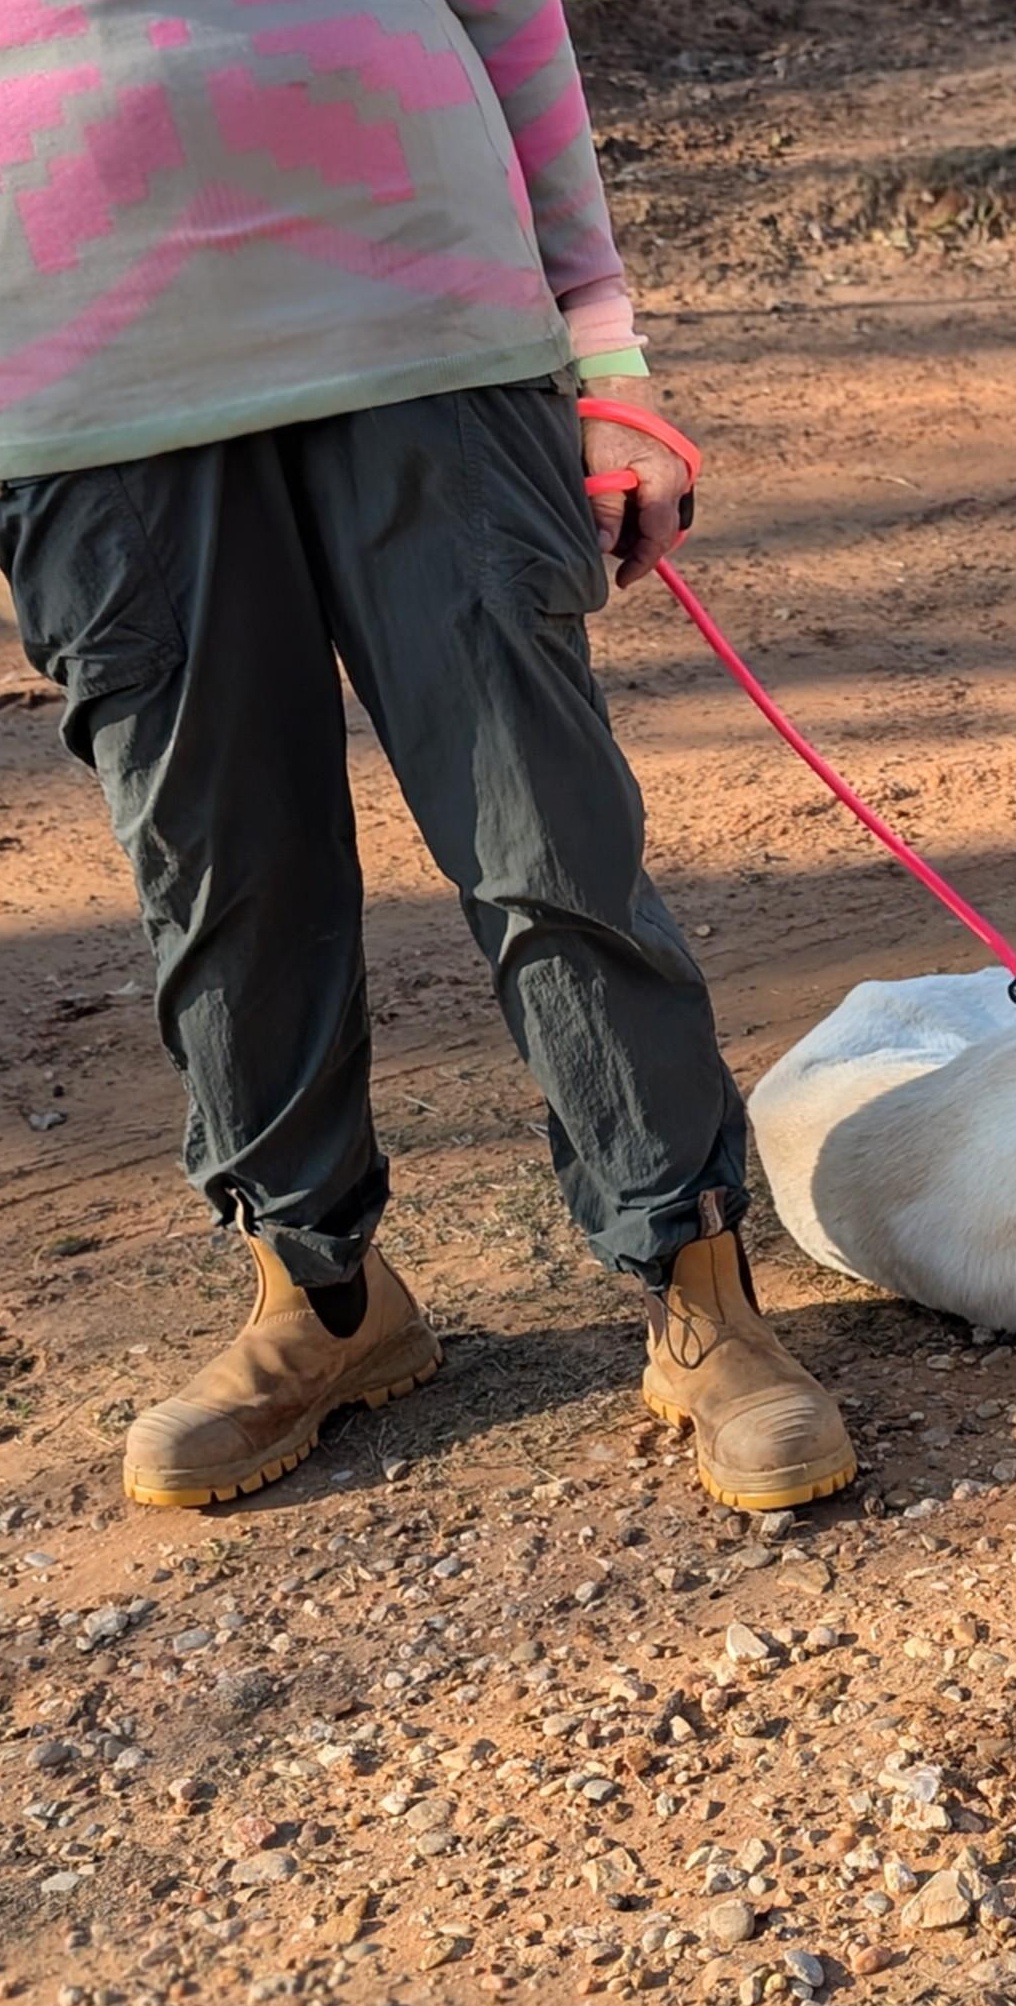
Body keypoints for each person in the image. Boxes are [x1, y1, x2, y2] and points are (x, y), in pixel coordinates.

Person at [0, 1, 855, 1515]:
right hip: (79, 402)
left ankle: (698, 1284)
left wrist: (605, 355)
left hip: (428, 337)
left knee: (545, 835)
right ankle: (321, 1300)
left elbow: (513, 20)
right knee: (222, 871)